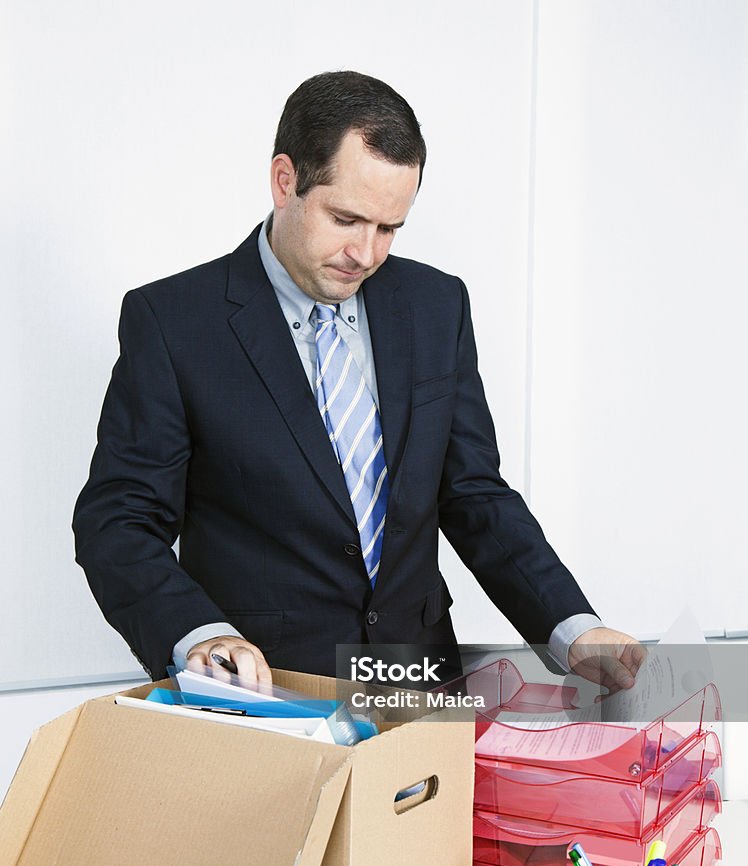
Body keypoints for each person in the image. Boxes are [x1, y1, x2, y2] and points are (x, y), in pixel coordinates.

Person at [73, 70, 643, 693]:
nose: (366, 254)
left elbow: (474, 492)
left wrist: (570, 623)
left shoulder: (436, 305)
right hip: (266, 691)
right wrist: (197, 635)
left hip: (419, 680)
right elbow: (119, 519)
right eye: (346, 219)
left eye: (389, 227)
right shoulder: (174, 321)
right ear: (285, 181)